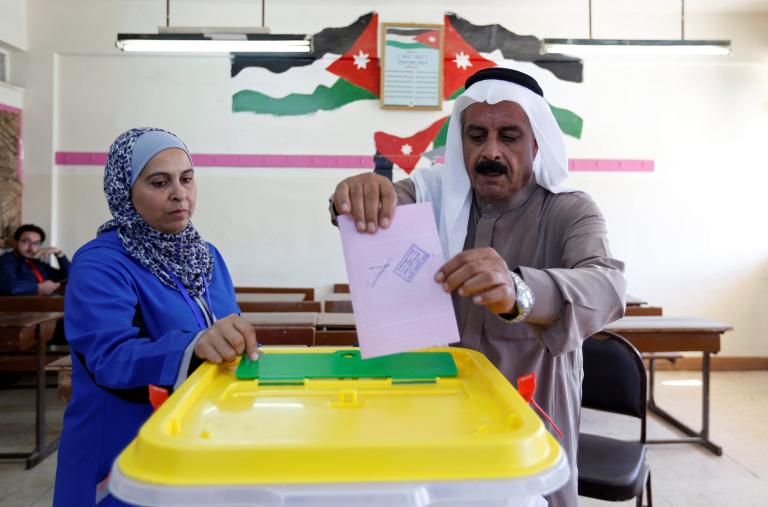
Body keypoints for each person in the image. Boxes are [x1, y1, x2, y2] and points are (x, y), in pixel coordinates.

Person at [330, 68, 626, 507]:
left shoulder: (570, 210)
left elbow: (608, 286)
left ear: (536, 143)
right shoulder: (431, 193)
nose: (490, 152)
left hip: (529, 420)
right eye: (476, 136)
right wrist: (356, 196)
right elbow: (378, 207)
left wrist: (520, 290)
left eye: (509, 136)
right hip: (434, 415)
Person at [53, 128, 259, 507]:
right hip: (123, 449)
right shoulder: (101, 262)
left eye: (187, 178)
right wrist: (193, 346)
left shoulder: (205, 256)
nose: (179, 193)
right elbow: (109, 357)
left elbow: (226, 326)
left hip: (192, 439)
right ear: (125, 192)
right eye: (159, 182)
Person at [0, 224, 70, 295]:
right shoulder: (6, 260)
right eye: (26, 241)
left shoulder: (37, 263)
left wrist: (59, 254)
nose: (31, 248)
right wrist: (39, 287)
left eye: (36, 243)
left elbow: (70, 275)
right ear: (15, 242)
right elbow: (10, 287)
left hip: (41, 304)